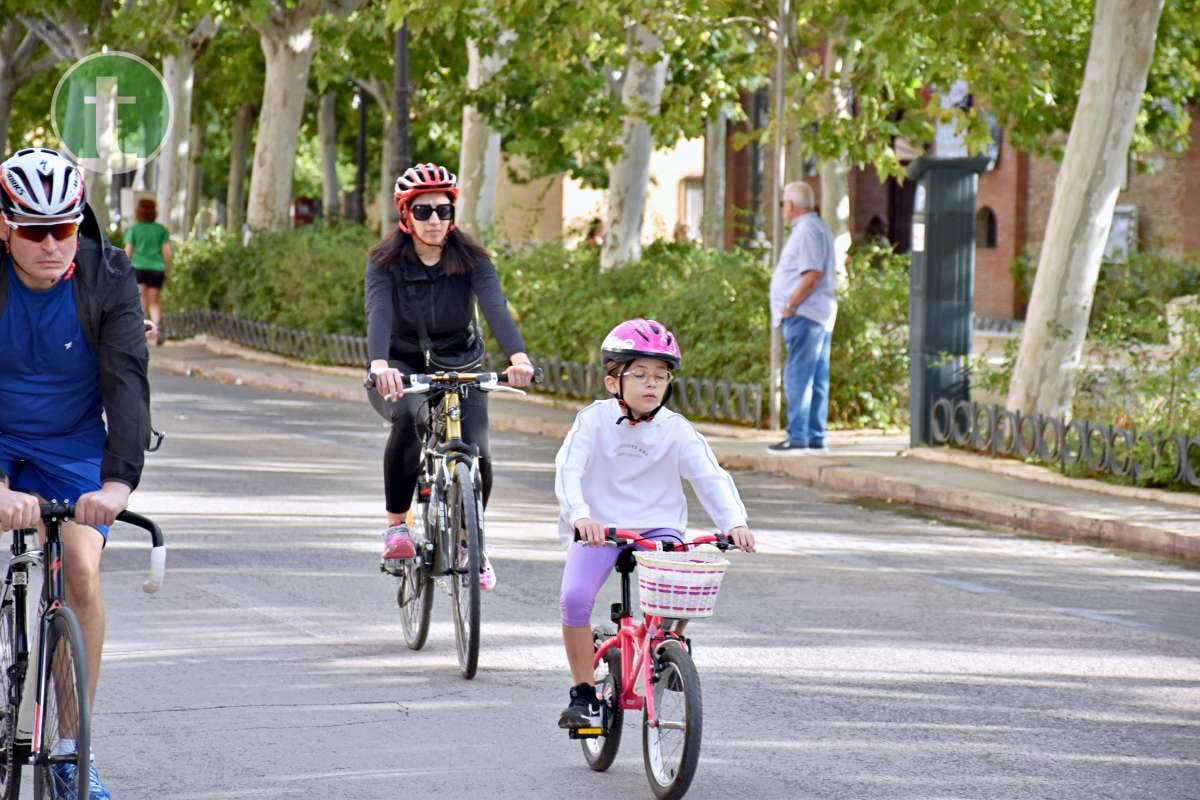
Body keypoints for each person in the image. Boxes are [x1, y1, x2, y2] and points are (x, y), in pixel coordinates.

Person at [0, 147, 150, 799]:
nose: (52, 244)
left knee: (81, 570)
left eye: (64, 227)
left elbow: (128, 382)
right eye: (34, 230)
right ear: (4, 225)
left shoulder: (108, 274)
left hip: (72, 442)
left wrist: (117, 484)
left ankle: (68, 752)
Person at [553, 318, 756, 728]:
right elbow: (568, 470)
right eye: (640, 374)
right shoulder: (592, 421)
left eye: (661, 377)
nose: (651, 384)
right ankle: (585, 694)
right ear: (614, 382)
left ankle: (668, 647)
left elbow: (710, 477)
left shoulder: (676, 429)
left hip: (657, 528)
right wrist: (581, 516)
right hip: (600, 530)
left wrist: (735, 522)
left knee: (681, 585)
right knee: (575, 598)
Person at [365, 162, 535, 587]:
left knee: (479, 454)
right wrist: (380, 364)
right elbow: (379, 313)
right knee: (410, 419)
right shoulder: (385, 264)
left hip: (462, 364)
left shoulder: (474, 261)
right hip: (403, 367)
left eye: (443, 210)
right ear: (406, 216)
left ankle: (467, 542)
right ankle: (396, 527)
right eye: (423, 211)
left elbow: (495, 308)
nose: (435, 220)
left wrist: (518, 357)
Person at [768, 181, 837, 454]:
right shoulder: (817, 227)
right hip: (817, 313)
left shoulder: (806, 230)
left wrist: (789, 305)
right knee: (817, 377)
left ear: (792, 206)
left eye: (784, 204)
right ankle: (815, 436)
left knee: (798, 376)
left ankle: (798, 437)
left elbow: (812, 273)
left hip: (805, 314)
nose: (784, 210)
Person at [124, 197, 171, 346]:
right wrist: (167, 270)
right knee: (154, 303)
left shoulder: (134, 229)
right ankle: (157, 333)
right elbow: (167, 254)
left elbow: (128, 252)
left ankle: (142, 333)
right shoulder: (161, 230)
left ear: (138, 212)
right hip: (157, 269)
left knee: (140, 301)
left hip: (139, 268)